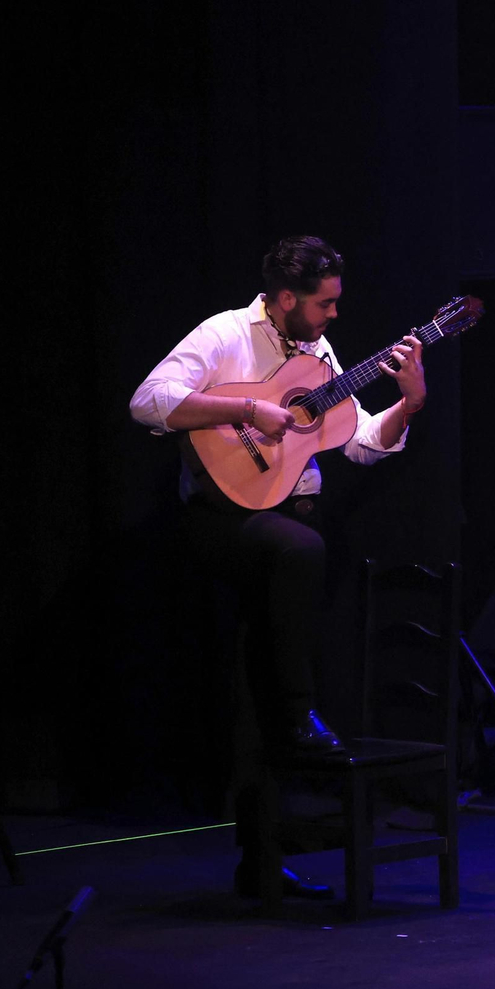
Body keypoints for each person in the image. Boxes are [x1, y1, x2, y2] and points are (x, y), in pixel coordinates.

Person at [129, 235, 427, 901]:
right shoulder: (225, 334)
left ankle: (261, 862)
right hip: (225, 521)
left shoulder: (317, 355)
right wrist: (244, 408)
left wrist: (408, 404)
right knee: (301, 554)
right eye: (324, 304)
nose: (333, 317)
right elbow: (148, 401)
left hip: (284, 518)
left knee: (257, 677)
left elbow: (356, 444)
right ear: (286, 298)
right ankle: (299, 715)